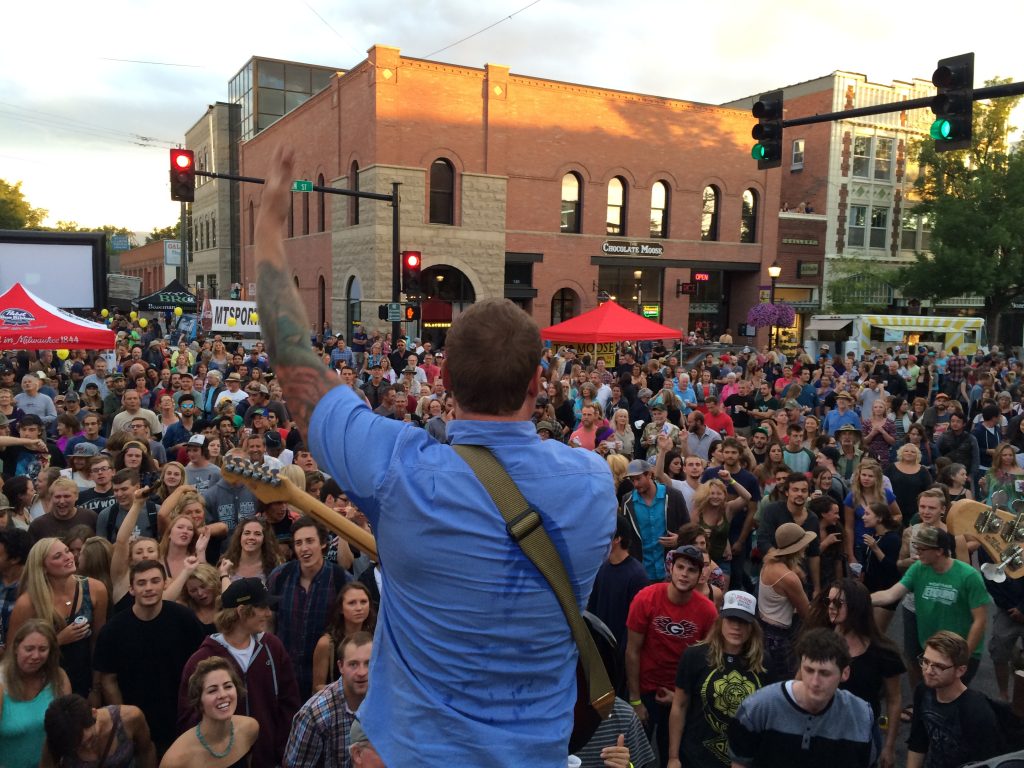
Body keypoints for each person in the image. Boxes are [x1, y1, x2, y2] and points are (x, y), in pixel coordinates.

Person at [258, 150, 615, 766]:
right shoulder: (592, 485)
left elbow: (295, 366)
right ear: (539, 383)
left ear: (442, 377)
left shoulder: (399, 469)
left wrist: (268, 222)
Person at [177, 578, 299, 768]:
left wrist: (282, 753)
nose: (268, 613)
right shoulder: (200, 661)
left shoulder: (273, 648)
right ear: (242, 612)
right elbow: (189, 719)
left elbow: (289, 705)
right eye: (262, 607)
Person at [94, 560, 207, 756]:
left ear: (165, 584)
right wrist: (126, 719)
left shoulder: (184, 619)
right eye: (142, 583)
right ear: (131, 589)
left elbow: (203, 664)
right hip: (137, 721)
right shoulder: (113, 630)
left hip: (181, 715)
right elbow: (108, 679)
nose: (149, 588)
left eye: (155, 581)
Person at [727, 628, 876, 768]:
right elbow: (740, 762)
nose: (815, 682)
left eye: (825, 673)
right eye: (809, 670)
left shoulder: (860, 716)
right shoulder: (759, 708)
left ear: (845, 673)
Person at [626, 545, 717, 767]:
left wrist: (681, 698)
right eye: (680, 567)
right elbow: (632, 651)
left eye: (691, 570)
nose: (684, 574)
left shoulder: (707, 611)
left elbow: (708, 664)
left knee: (673, 758)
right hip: (646, 690)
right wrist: (635, 700)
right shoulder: (646, 598)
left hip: (680, 694)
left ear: (700, 575)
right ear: (671, 568)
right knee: (634, 757)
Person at [871, 527, 990, 683]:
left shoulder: (968, 576)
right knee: (930, 696)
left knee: (951, 699)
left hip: (959, 651)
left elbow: (980, 620)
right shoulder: (918, 568)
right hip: (932, 650)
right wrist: (860, 598)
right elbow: (891, 594)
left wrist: (964, 656)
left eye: (922, 549)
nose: (917, 552)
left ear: (939, 551)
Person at [807, 579, 905, 768]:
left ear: (857, 607)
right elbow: (800, 683)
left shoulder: (883, 652)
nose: (831, 608)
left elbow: (894, 699)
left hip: (862, 734)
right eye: (829, 602)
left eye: (838, 603)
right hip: (820, 729)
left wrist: (889, 746)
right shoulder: (817, 641)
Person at [667, 591, 768, 768]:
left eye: (743, 621)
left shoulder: (764, 663)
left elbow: (768, 715)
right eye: (731, 620)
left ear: (753, 626)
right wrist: (673, 757)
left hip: (744, 759)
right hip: (696, 757)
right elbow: (679, 705)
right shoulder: (695, 656)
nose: (736, 627)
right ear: (720, 620)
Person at [7, 537, 108, 701]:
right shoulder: (28, 603)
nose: (68, 557)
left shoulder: (95, 589)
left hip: (84, 680)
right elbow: (13, 652)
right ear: (43, 568)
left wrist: (96, 688)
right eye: (57, 556)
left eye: (67, 551)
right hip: (42, 683)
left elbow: (98, 643)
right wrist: (58, 640)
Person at [266, 517, 350, 700]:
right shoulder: (279, 576)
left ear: (322, 543)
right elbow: (269, 621)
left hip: (325, 679)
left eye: (310, 541)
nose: (304, 548)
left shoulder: (340, 579)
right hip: (284, 675)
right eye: (298, 543)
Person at [907, 631, 1006, 768]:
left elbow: (986, 763)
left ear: (960, 670)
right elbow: (918, 741)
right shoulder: (923, 691)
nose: (928, 671)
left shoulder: (977, 710)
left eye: (939, 666)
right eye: (925, 661)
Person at [283, 630, 373, 768]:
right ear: (340, 666)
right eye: (353, 664)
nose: (362, 672)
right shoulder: (314, 714)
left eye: (368, 663)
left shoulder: (387, 702)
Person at [161, 658, 259, 768]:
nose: (222, 695)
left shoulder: (250, 729)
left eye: (228, 686)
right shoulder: (176, 759)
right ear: (199, 700)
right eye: (212, 690)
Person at [0, 620, 71, 768]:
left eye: (43, 649)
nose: (35, 656)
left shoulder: (59, 678)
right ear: (15, 648)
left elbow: (68, 729)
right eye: (29, 649)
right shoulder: (1, 685)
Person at [757, 522, 815, 682]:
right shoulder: (788, 578)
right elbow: (807, 613)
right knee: (785, 682)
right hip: (779, 638)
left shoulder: (769, 563)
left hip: (763, 630)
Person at [41, 693, 156, 768]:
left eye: (90, 738)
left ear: (94, 713)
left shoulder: (130, 718)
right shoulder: (59, 737)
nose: (88, 747)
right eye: (78, 747)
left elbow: (146, 751)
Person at [621, 458, 689, 582]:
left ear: (649, 474)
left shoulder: (674, 496)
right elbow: (626, 536)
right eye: (632, 480)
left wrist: (679, 539)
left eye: (638, 478)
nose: (635, 484)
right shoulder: (627, 500)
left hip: (670, 570)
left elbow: (688, 528)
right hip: (641, 572)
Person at [311, 582, 377, 694]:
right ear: (341, 608)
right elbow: (317, 687)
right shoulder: (326, 643)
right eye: (352, 603)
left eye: (364, 602)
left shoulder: (376, 639)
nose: (359, 608)